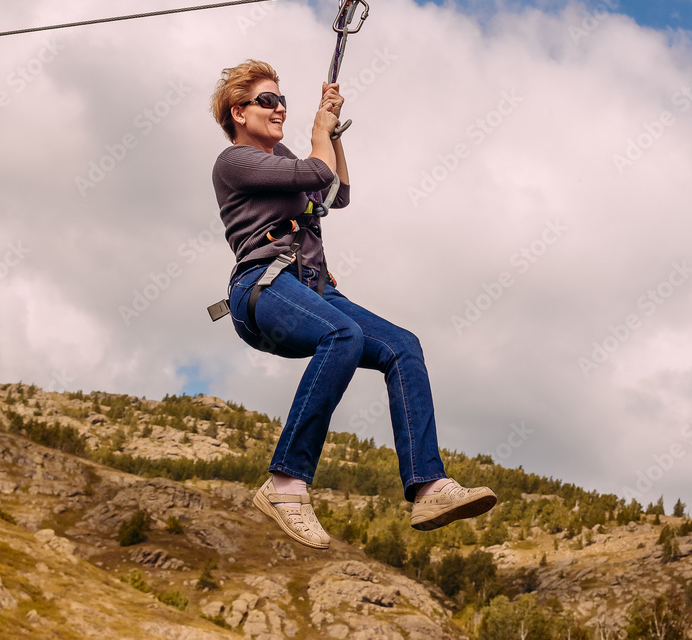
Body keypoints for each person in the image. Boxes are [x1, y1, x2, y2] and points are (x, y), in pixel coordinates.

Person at [210, 59, 496, 550]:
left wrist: (333, 131)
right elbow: (317, 171)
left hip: (312, 287)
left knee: (402, 347)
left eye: (282, 100)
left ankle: (427, 484)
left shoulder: (285, 163)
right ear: (239, 112)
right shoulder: (234, 161)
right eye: (267, 100)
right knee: (342, 335)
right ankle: (285, 483)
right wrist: (321, 133)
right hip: (264, 284)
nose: (279, 108)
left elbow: (335, 193)